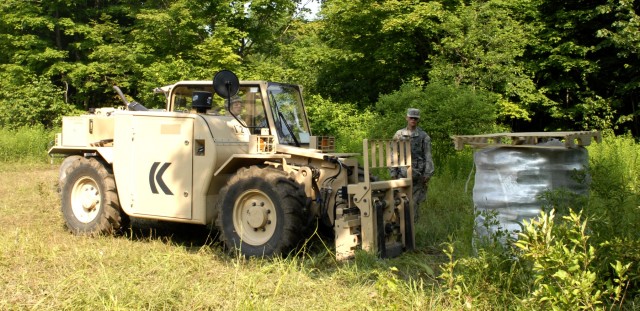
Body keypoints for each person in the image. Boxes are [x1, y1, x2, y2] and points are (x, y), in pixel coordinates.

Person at [389, 108, 434, 221]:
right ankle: (399, 228)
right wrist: (393, 172)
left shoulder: (423, 136)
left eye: (415, 118)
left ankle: (413, 231)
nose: (413, 120)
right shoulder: (399, 134)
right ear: (407, 118)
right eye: (411, 118)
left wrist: (427, 173)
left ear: (418, 120)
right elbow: (393, 153)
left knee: (414, 204)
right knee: (399, 201)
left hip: (417, 174)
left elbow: (428, 155)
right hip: (402, 173)